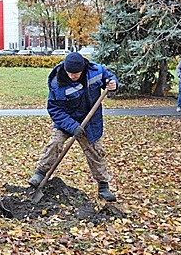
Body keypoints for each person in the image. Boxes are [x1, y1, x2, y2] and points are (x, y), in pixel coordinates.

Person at [28, 52, 119, 202]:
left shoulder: (96, 71)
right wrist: (72, 126)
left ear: (83, 69)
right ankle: (40, 173)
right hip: (66, 119)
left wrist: (113, 83)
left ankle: (103, 186)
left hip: (90, 120)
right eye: (70, 73)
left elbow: (110, 78)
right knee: (55, 143)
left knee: (95, 151)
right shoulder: (57, 82)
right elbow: (54, 109)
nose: (72, 76)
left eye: (76, 73)